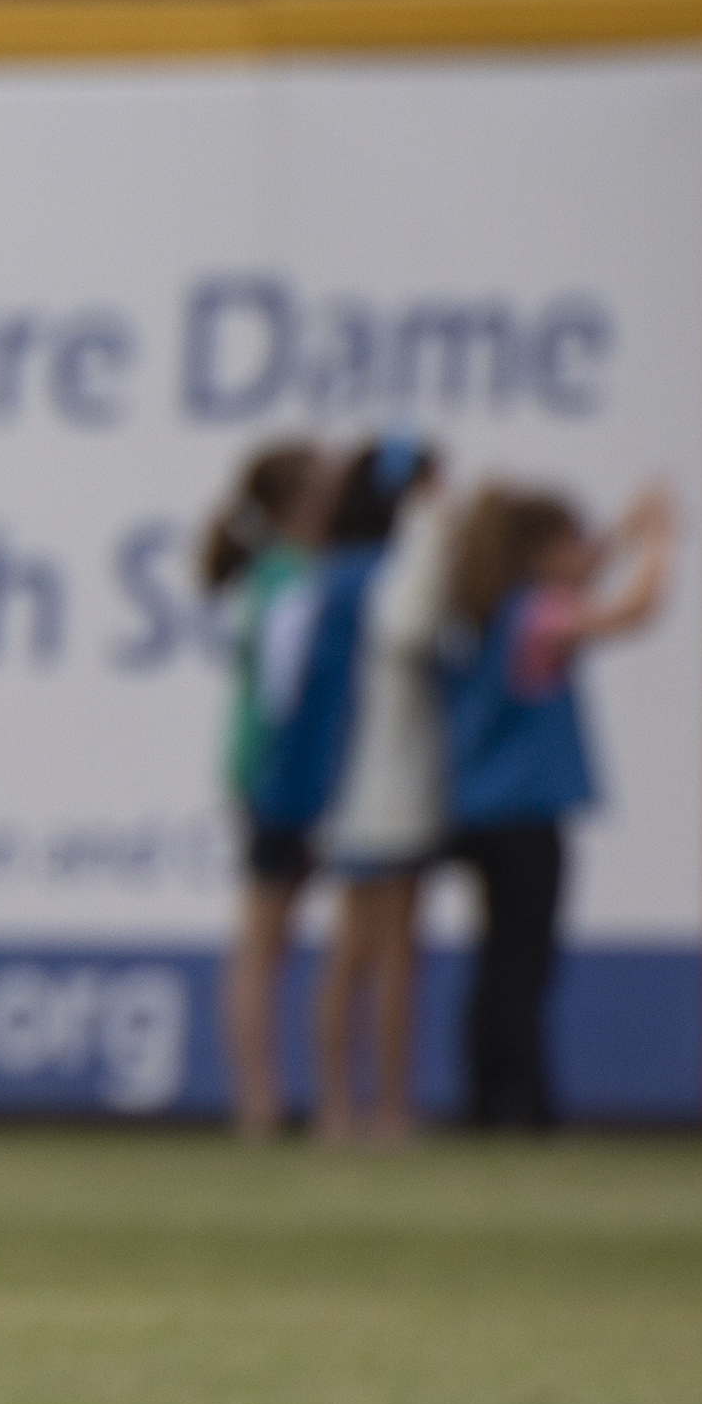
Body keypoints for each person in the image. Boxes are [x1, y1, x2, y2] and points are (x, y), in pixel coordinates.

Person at [442, 480, 676, 1134]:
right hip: (522, 813)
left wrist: (623, 531)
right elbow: (633, 610)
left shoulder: (493, 605)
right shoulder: (537, 613)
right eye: (568, 543)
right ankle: (526, 1105)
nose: (582, 556)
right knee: (523, 965)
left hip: (479, 807)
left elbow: (582, 569)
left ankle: (488, 1099)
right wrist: (661, 543)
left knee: (498, 962)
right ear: (538, 552)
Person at [307, 434, 451, 1145]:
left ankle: (343, 1105)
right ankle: (378, 1108)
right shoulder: (382, 574)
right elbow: (410, 629)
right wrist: (429, 531)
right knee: (385, 951)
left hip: (351, 779)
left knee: (360, 950)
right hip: (380, 779)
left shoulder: (332, 572)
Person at [198, 440, 335, 1142]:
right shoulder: (289, 580)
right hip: (277, 774)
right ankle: (258, 1102)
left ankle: (265, 1098)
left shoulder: (282, 576)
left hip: (271, 771)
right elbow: (284, 689)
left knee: (269, 940)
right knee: (262, 940)